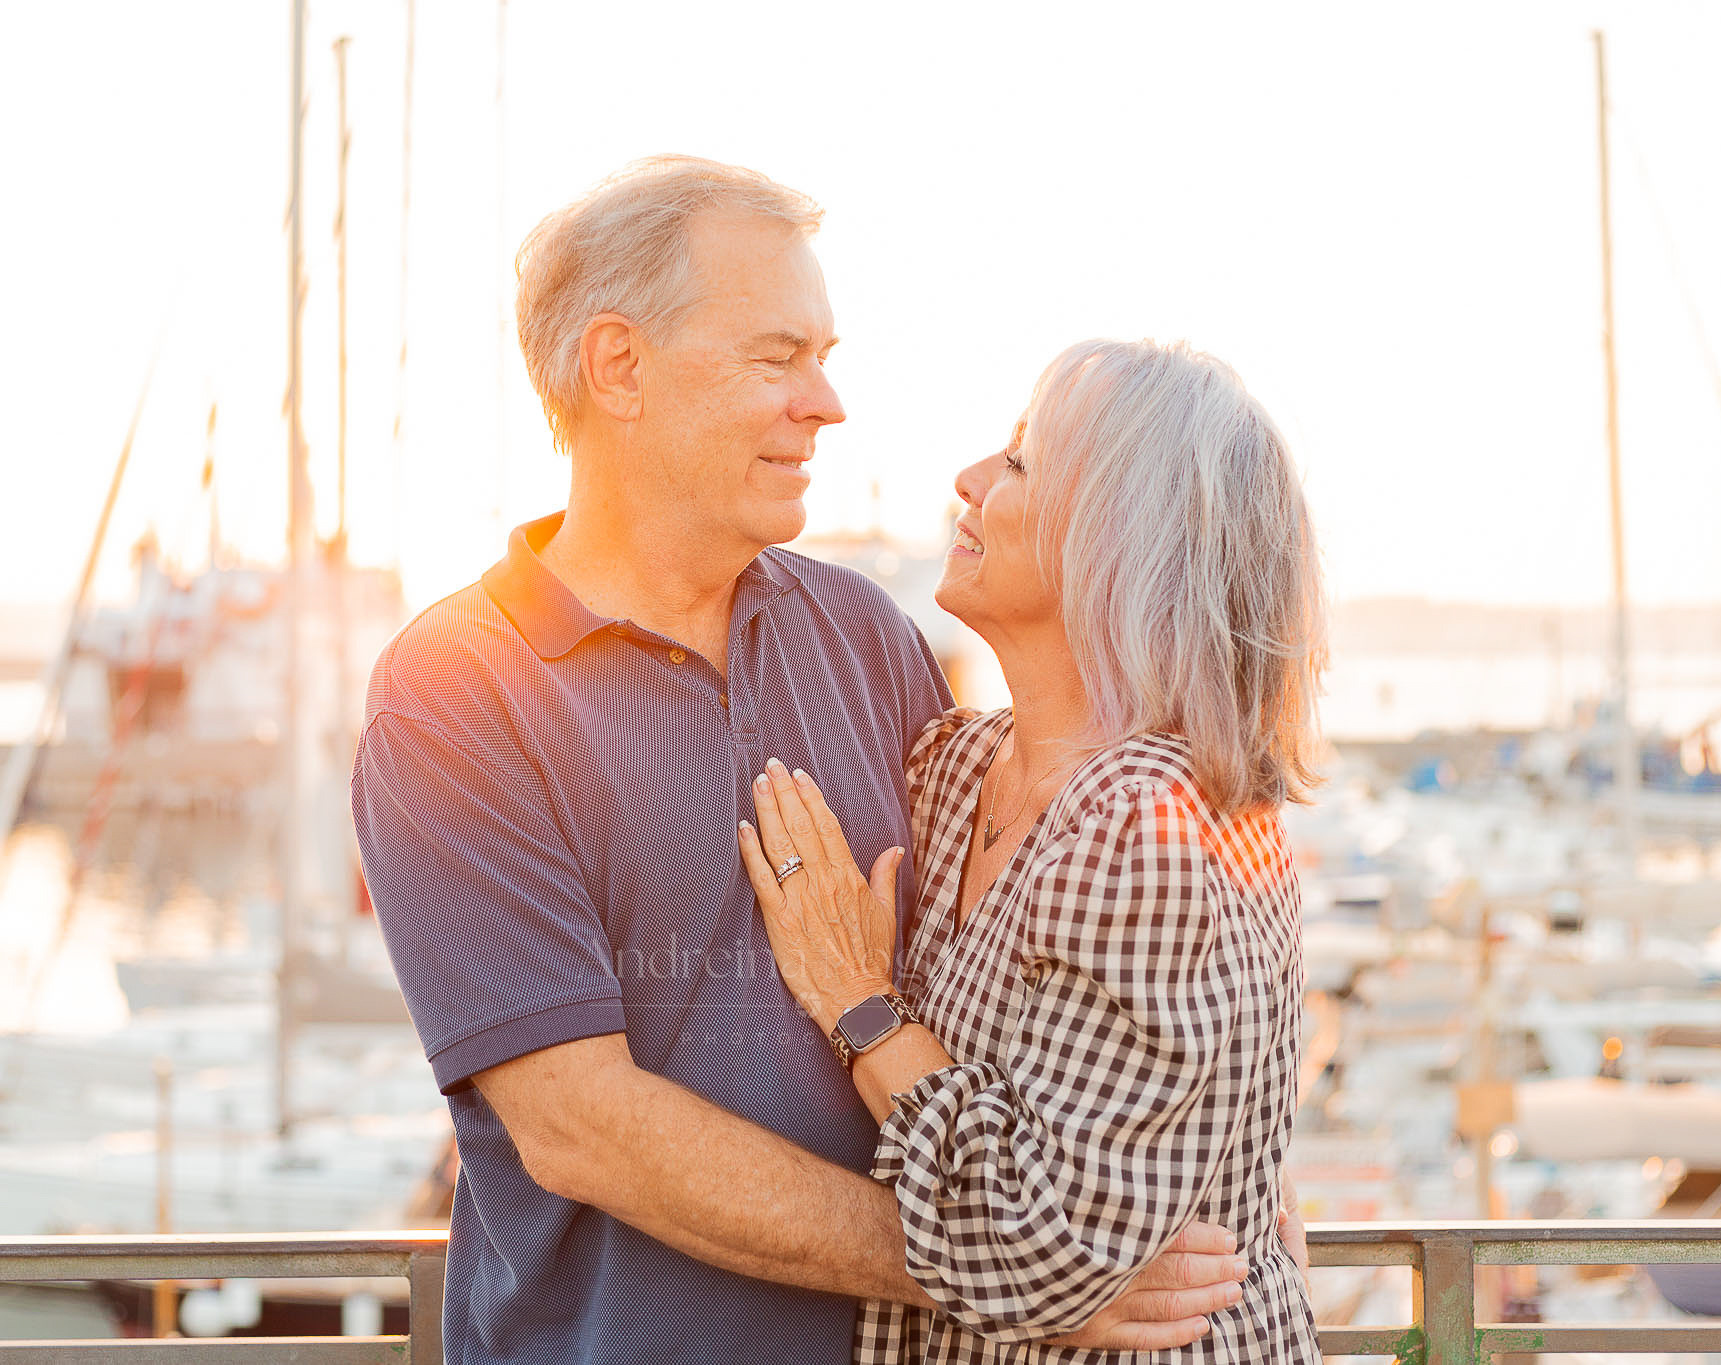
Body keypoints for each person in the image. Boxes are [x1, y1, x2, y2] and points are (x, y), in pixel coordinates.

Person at [350, 159, 1256, 1365]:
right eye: (777, 357)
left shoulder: (867, 635)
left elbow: (1010, 986)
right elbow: (582, 1127)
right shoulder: (456, 690)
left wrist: (1216, 1174)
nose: (824, 402)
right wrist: (1018, 1271)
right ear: (617, 366)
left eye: (823, 356)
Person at [738, 338, 1325, 1361]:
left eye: (1017, 463)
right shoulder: (954, 767)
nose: (967, 481)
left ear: (1115, 541)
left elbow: (1035, 1240)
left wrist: (854, 1001)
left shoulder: (1150, 820)